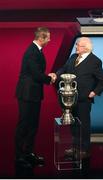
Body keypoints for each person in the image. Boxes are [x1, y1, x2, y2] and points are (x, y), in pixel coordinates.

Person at [56, 37, 103, 167]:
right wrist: (56, 75)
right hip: (71, 97)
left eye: (78, 45)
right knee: (73, 124)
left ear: (85, 47)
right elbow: (64, 68)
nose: (76, 47)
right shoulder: (74, 56)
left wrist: (94, 92)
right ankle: (75, 148)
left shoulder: (95, 61)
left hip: (84, 99)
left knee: (83, 125)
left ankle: (84, 150)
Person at [15, 27, 56, 168]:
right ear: (41, 39)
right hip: (27, 94)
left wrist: (47, 77)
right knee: (24, 125)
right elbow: (36, 74)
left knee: (33, 125)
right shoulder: (32, 52)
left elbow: (37, 73)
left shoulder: (36, 50)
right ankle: (19, 156)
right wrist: (49, 79)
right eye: (48, 38)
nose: (50, 40)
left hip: (34, 93)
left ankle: (28, 153)